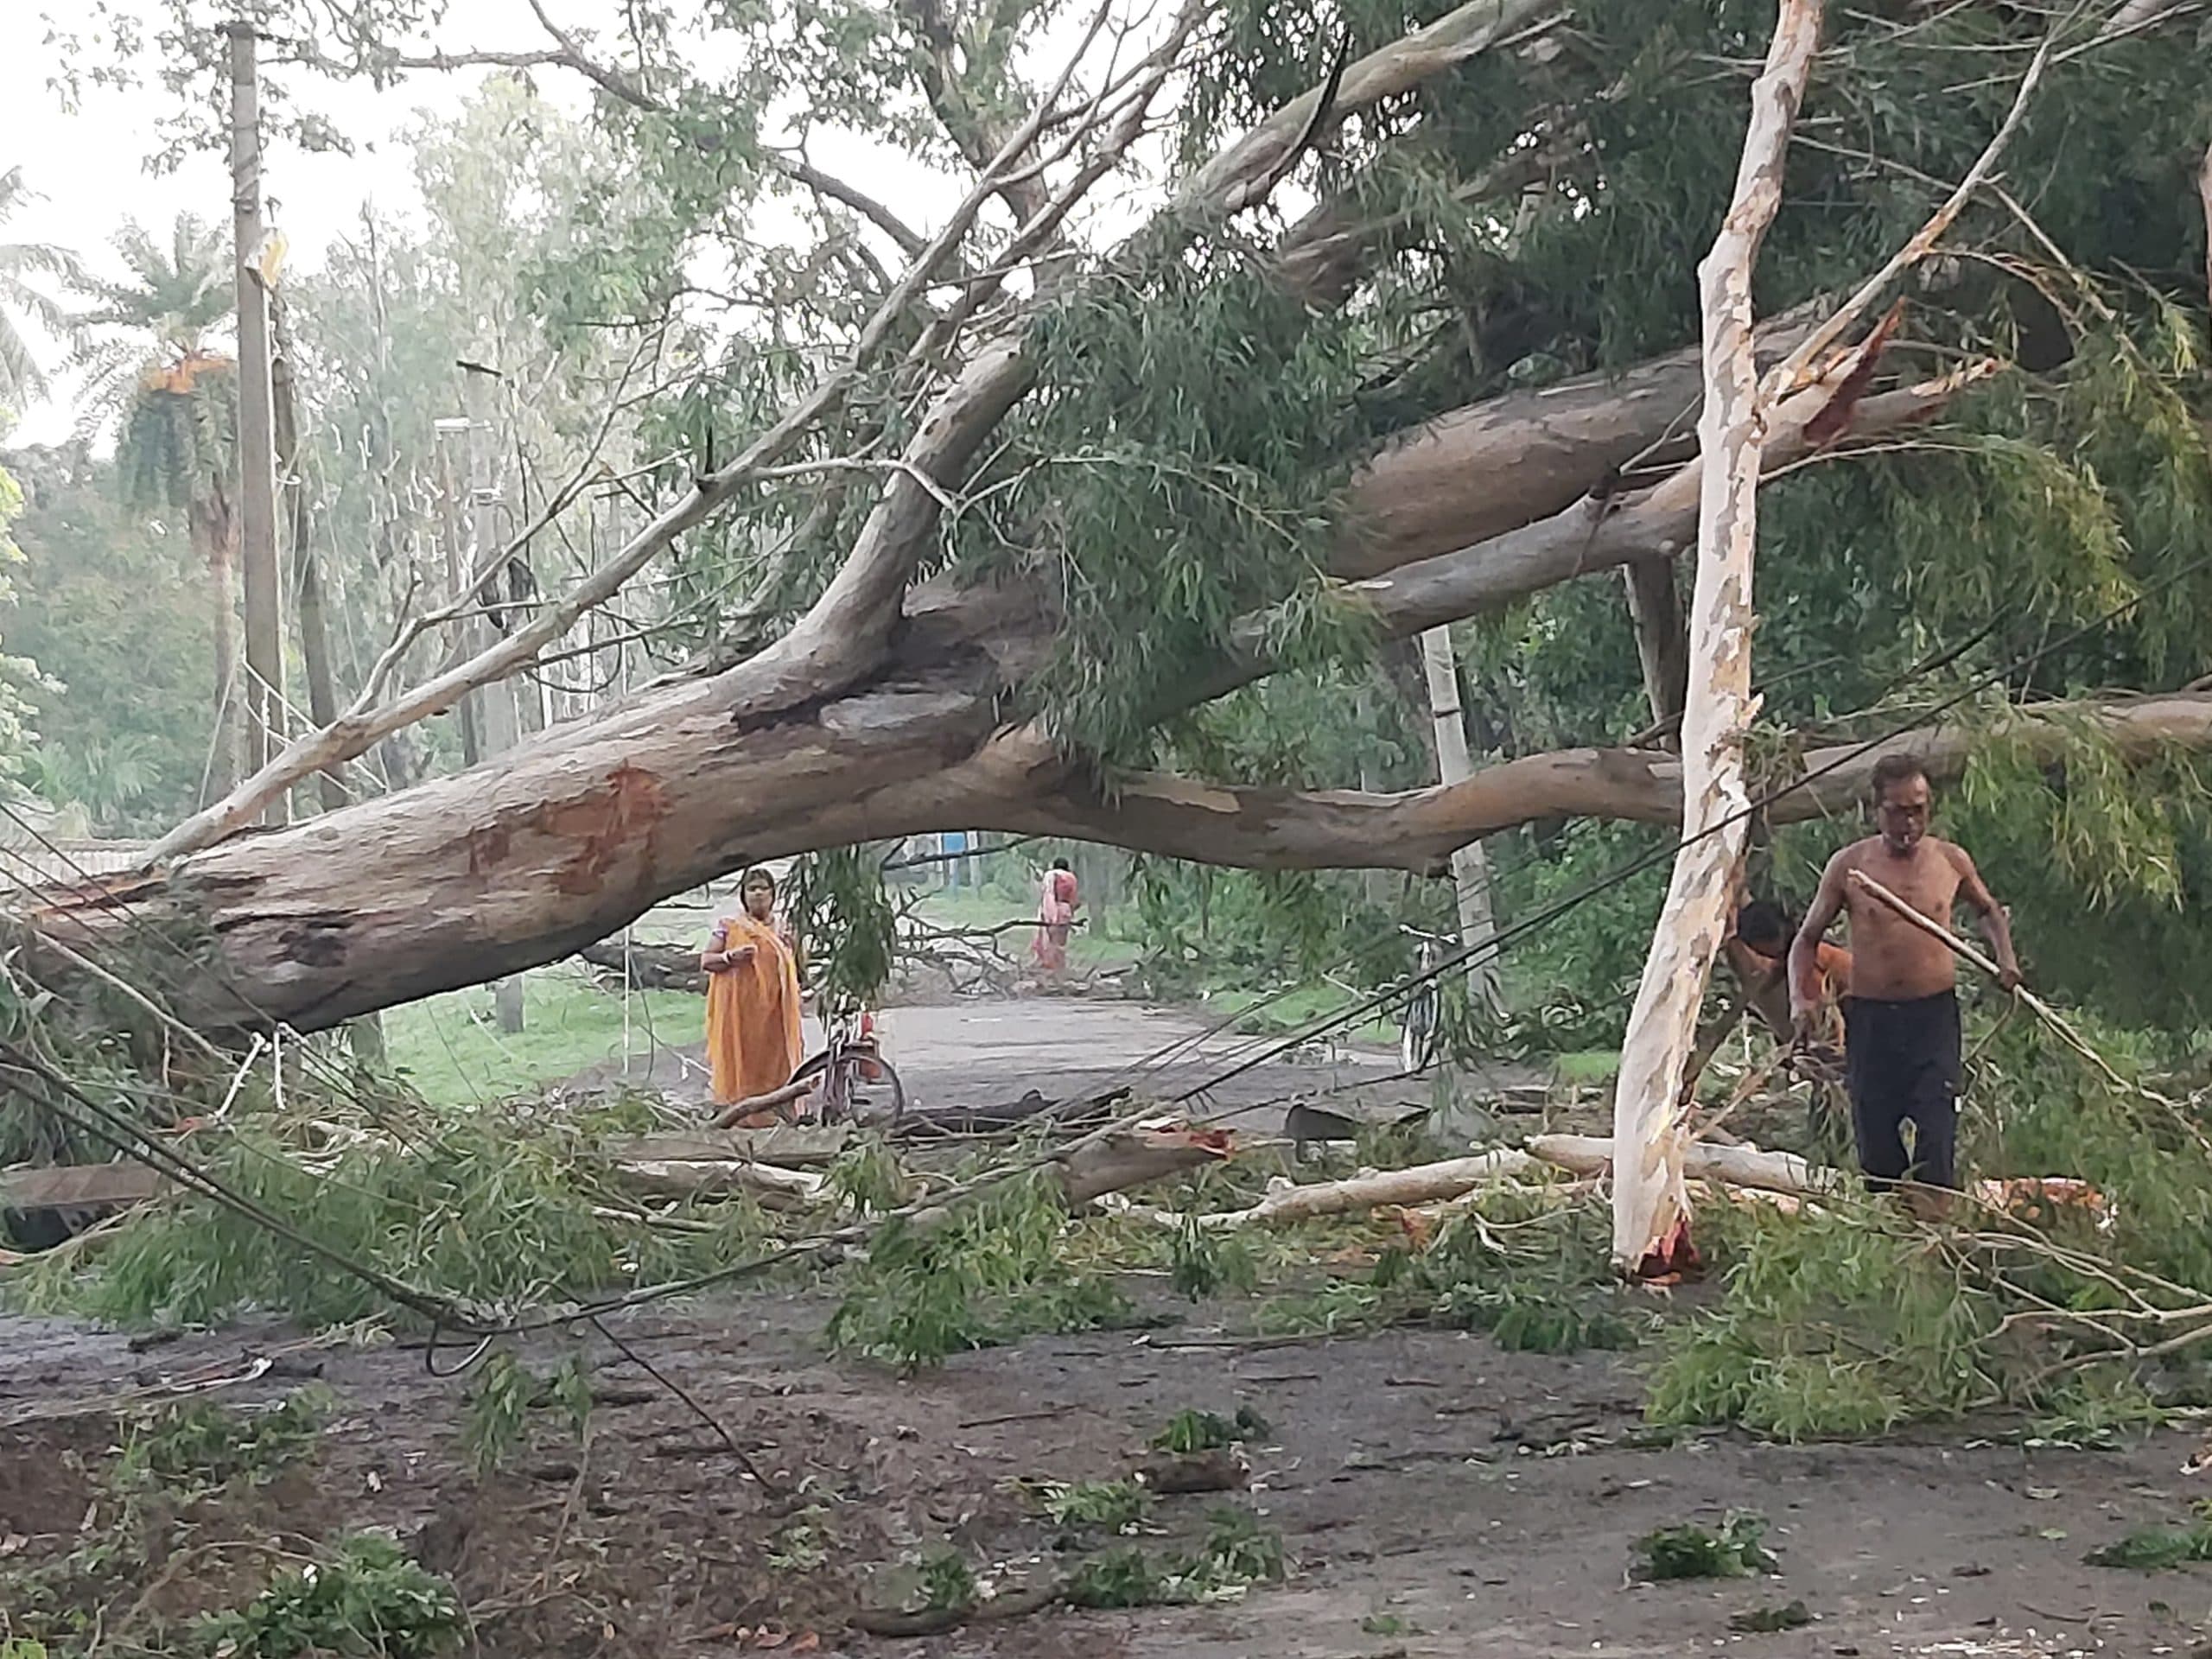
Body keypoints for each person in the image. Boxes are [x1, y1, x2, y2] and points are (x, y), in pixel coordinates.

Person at [1789, 754, 2022, 1203]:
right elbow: (1805, 941)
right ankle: (1891, 1226)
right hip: (1872, 1020)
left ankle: (1936, 1230)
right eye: (1897, 811)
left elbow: (1988, 911)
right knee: (1876, 1141)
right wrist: (1802, 999)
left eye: (1918, 809)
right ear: (1876, 809)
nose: (1909, 822)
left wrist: (2005, 960)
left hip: (1933, 1019)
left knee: (1937, 1130)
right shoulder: (1850, 866)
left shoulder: (1950, 861)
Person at [702, 867, 805, 1122]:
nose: (758, 893)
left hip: (776, 1014)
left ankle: (778, 1117)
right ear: (743, 895)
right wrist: (729, 957)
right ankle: (741, 1119)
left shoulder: (784, 928)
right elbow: (706, 960)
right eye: (752, 889)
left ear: (773, 894)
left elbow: (800, 969)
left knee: (777, 1064)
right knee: (743, 1062)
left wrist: (793, 946)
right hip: (741, 1014)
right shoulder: (730, 927)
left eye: (763, 888)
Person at [1031, 857, 1080, 975]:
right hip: (1065, 910)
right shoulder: (1072, 878)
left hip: (1053, 907)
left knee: (1049, 939)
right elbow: (1074, 899)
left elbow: (1049, 895)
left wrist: (1050, 916)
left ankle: (1050, 967)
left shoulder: (1051, 875)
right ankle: (1060, 967)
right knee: (1061, 941)